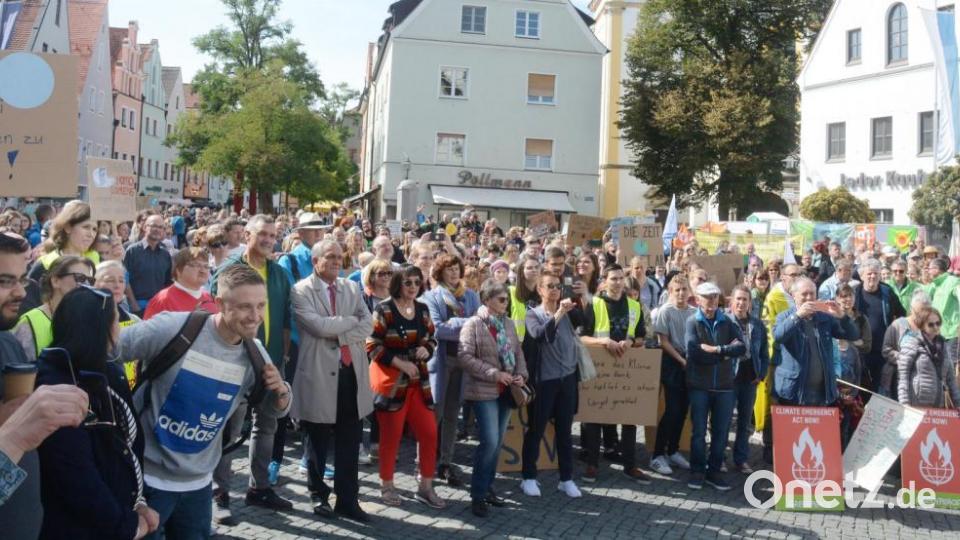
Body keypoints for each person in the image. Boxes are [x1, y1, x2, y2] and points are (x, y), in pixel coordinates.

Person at [117, 264, 291, 539]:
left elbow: (274, 409)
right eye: (246, 307)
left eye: (261, 306)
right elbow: (108, 349)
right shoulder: (173, 328)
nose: (255, 316)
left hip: (199, 487)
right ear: (220, 303)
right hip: (147, 484)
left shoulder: (254, 353)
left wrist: (282, 392)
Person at [35, 286, 160, 539]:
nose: (121, 328)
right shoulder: (58, 383)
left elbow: (127, 444)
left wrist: (139, 502)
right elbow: (74, 476)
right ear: (99, 328)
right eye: (116, 320)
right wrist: (126, 525)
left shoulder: (108, 371)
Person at [210, 215, 294, 514]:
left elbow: (285, 317)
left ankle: (259, 488)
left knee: (267, 425)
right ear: (247, 234)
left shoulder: (279, 273)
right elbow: (214, 306)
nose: (270, 240)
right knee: (229, 428)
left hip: (270, 361)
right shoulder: (231, 270)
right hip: (235, 360)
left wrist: (281, 356)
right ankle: (219, 492)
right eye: (263, 234)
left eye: (274, 235)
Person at [290, 239, 373, 522]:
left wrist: (340, 328)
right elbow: (316, 326)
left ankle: (348, 500)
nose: (337, 261)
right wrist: (349, 323)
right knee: (317, 439)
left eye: (340, 257)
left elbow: (368, 323)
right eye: (330, 257)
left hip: (352, 373)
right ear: (316, 261)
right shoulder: (301, 290)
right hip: (318, 374)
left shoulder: (351, 286)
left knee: (350, 440)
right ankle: (318, 496)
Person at [366, 266, 443, 509]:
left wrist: (426, 349)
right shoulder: (384, 309)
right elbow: (372, 345)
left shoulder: (422, 309)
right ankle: (387, 485)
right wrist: (400, 363)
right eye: (408, 282)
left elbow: (432, 338)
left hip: (418, 383)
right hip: (392, 384)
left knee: (430, 433)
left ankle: (425, 486)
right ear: (399, 283)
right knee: (391, 438)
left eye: (417, 283)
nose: (412, 287)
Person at [459, 279, 528, 516]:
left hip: (506, 391)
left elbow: (518, 352)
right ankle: (477, 494)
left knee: (497, 443)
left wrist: (520, 375)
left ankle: (487, 488)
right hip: (484, 390)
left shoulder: (508, 323)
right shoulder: (473, 324)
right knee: (488, 441)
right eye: (501, 299)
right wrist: (493, 373)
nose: (505, 302)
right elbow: (465, 357)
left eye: (506, 298)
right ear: (487, 300)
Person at [578, 264, 649, 483]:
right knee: (594, 418)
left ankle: (630, 465)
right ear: (605, 281)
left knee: (629, 419)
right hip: (599, 369)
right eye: (613, 279)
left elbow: (641, 338)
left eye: (620, 278)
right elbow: (582, 337)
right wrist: (604, 341)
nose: (617, 283)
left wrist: (629, 341)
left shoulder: (634, 306)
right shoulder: (594, 304)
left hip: (625, 370)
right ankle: (592, 464)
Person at [520, 271, 583, 499]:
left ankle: (566, 479)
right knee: (536, 430)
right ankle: (528, 476)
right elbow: (541, 336)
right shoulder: (533, 314)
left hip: (567, 380)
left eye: (557, 286)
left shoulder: (568, 312)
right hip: (544, 382)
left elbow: (585, 322)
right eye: (550, 286)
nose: (555, 290)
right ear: (540, 290)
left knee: (565, 432)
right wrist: (558, 313)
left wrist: (581, 300)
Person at [421, 253, 481, 487]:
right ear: (440, 272)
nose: (454, 272)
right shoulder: (432, 297)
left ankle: (445, 461)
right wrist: (466, 323)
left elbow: (481, 325)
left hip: (463, 360)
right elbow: (437, 329)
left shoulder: (470, 295)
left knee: (452, 413)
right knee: (434, 412)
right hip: (442, 360)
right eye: (449, 269)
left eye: (457, 268)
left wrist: (458, 324)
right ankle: (424, 461)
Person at [684, 281, 745, 491]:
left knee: (721, 432)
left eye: (714, 298)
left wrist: (717, 350)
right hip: (699, 386)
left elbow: (741, 347)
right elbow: (694, 352)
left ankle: (714, 472)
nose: (711, 302)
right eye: (706, 298)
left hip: (725, 386)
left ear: (718, 299)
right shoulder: (692, 321)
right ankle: (697, 471)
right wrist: (724, 354)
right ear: (698, 300)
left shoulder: (727, 321)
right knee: (699, 432)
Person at [773, 278, 859, 406]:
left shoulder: (824, 317)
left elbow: (853, 335)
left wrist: (841, 316)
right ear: (793, 296)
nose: (809, 298)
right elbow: (778, 336)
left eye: (812, 294)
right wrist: (798, 316)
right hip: (794, 391)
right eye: (804, 294)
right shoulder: (785, 316)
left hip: (822, 392)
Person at [649, 277, 696, 476]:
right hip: (672, 363)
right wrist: (681, 359)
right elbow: (663, 341)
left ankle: (673, 450)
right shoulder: (665, 311)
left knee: (683, 410)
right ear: (669, 291)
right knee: (672, 410)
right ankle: (657, 455)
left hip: (690, 363)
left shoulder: (694, 313)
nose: (681, 293)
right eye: (676, 290)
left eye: (684, 289)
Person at [13, 256, 95, 362]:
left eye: (90, 280)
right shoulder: (29, 322)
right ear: (56, 281)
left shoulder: (88, 320)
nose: (86, 285)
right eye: (80, 278)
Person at [23, 201, 100, 313]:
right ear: (68, 227)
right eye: (86, 227)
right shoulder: (46, 263)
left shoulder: (96, 260)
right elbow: (29, 302)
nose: (91, 234)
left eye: (94, 229)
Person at [726, 285, 768, 475]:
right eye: (739, 299)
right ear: (731, 302)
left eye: (745, 300)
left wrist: (762, 373)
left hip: (750, 378)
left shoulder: (757, 324)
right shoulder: (725, 322)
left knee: (744, 422)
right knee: (723, 420)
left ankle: (741, 459)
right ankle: (718, 458)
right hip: (729, 378)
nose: (741, 303)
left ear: (750, 303)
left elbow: (764, 352)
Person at [853, 258, 904, 393]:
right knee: (861, 386)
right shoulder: (854, 293)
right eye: (869, 273)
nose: (873, 276)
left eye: (876, 273)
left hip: (882, 349)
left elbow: (902, 315)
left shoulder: (887, 292)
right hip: (860, 348)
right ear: (862, 275)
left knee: (880, 387)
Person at [897, 306, 960, 408]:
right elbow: (903, 377)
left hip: (939, 404)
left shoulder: (944, 346)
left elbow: (951, 380)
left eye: (938, 323)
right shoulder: (912, 343)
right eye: (931, 324)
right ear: (922, 325)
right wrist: (904, 404)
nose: (935, 327)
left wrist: (958, 403)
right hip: (916, 404)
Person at [880, 290, 932, 399]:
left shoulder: (931, 327)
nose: (920, 316)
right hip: (898, 379)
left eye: (925, 312)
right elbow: (886, 349)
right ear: (911, 309)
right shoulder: (898, 325)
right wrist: (904, 358)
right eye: (917, 312)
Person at [143, 247, 218, 319]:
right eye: (196, 265)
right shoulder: (162, 301)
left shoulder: (209, 298)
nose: (203, 270)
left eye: (206, 266)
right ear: (178, 270)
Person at [123, 214, 172, 315]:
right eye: (153, 226)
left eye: (160, 227)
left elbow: (168, 282)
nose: (157, 229)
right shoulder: (132, 251)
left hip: (160, 307)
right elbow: (125, 280)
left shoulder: (165, 254)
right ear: (145, 227)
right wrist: (134, 305)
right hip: (138, 308)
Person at [923, 258, 960, 366]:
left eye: (929, 269)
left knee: (950, 365)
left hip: (952, 333)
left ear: (936, 269)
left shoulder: (952, 281)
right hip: (938, 332)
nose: (928, 272)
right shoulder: (934, 285)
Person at [508, 257, 540, 341]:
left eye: (537, 267)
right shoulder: (511, 292)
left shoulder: (544, 293)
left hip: (540, 343)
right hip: (518, 344)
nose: (534, 270)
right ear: (521, 272)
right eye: (529, 268)